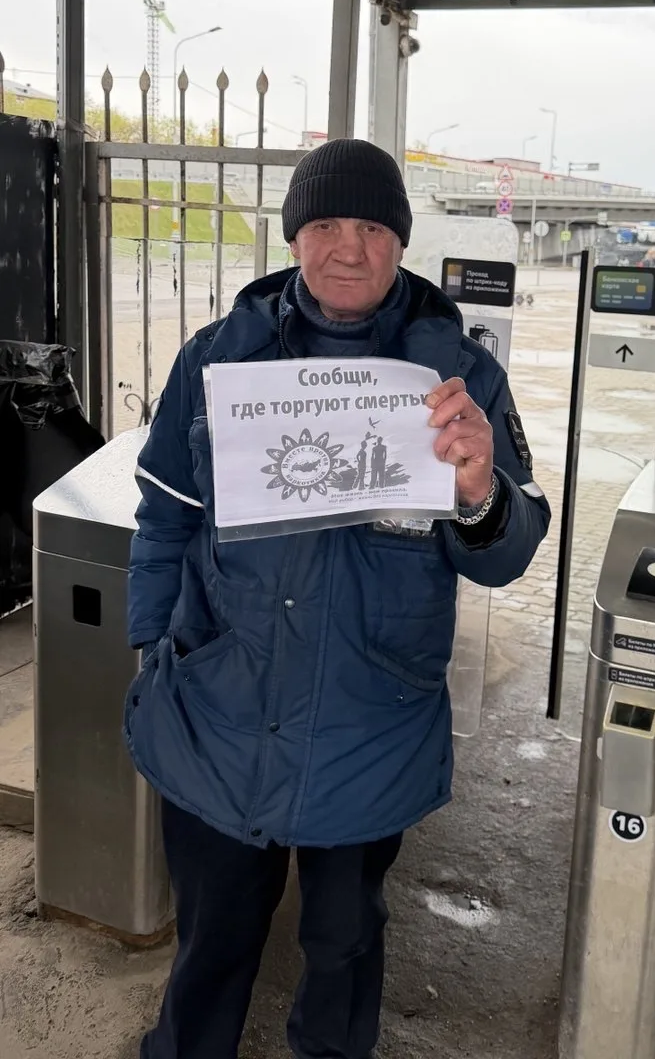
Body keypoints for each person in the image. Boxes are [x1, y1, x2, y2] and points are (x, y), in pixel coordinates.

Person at [123, 139, 551, 1059]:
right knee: (209, 945)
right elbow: (164, 516)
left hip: (372, 725)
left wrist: (479, 491)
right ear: (294, 238)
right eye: (324, 225)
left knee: (343, 947)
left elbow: (506, 556)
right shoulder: (215, 358)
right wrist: (152, 649)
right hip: (218, 716)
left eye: (371, 228)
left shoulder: (461, 378)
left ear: (401, 241)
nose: (348, 249)